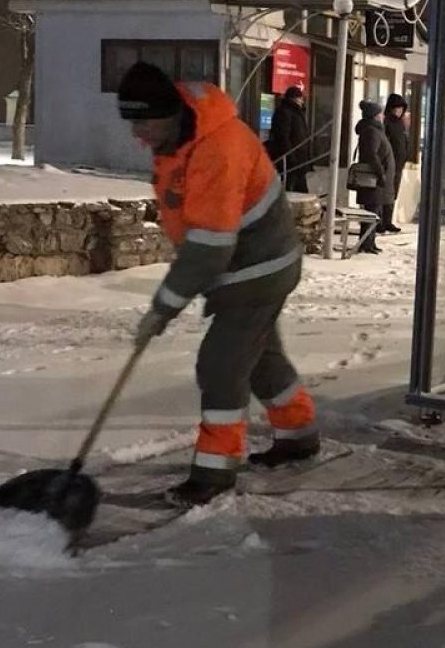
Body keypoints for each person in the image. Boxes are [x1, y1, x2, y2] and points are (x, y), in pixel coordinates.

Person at [119, 62, 316, 507]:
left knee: (222, 365)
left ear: (170, 113)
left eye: (144, 123)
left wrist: (163, 307)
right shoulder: (182, 137)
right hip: (246, 267)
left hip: (257, 270)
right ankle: (298, 433)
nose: (138, 135)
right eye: (133, 122)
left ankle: (214, 471)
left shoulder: (217, 149)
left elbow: (210, 247)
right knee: (261, 360)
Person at [354, 100, 393, 255]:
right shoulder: (372, 131)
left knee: (374, 212)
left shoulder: (375, 130)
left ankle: (370, 242)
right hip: (373, 180)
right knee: (371, 212)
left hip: (376, 179)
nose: (383, 116)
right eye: (380, 113)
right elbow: (372, 155)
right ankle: (366, 243)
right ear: (375, 116)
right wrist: (381, 174)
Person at [268, 86, 311, 193]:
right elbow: (283, 137)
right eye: (300, 98)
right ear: (294, 98)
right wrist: (290, 157)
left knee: (300, 190)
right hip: (291, 161)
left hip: (298, 160)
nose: (302, 101)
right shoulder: (285, 112)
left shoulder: (297, 113)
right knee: (292, 189)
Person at [381, 93, 411, 234]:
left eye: (401, 109)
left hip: (398, 164)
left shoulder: (400, 124)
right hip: (389, 164)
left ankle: (388, 221)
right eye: (396, 108)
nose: (399, 111)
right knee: (385, 193)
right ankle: (381, 221)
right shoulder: (387, 123)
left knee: (393, 194)